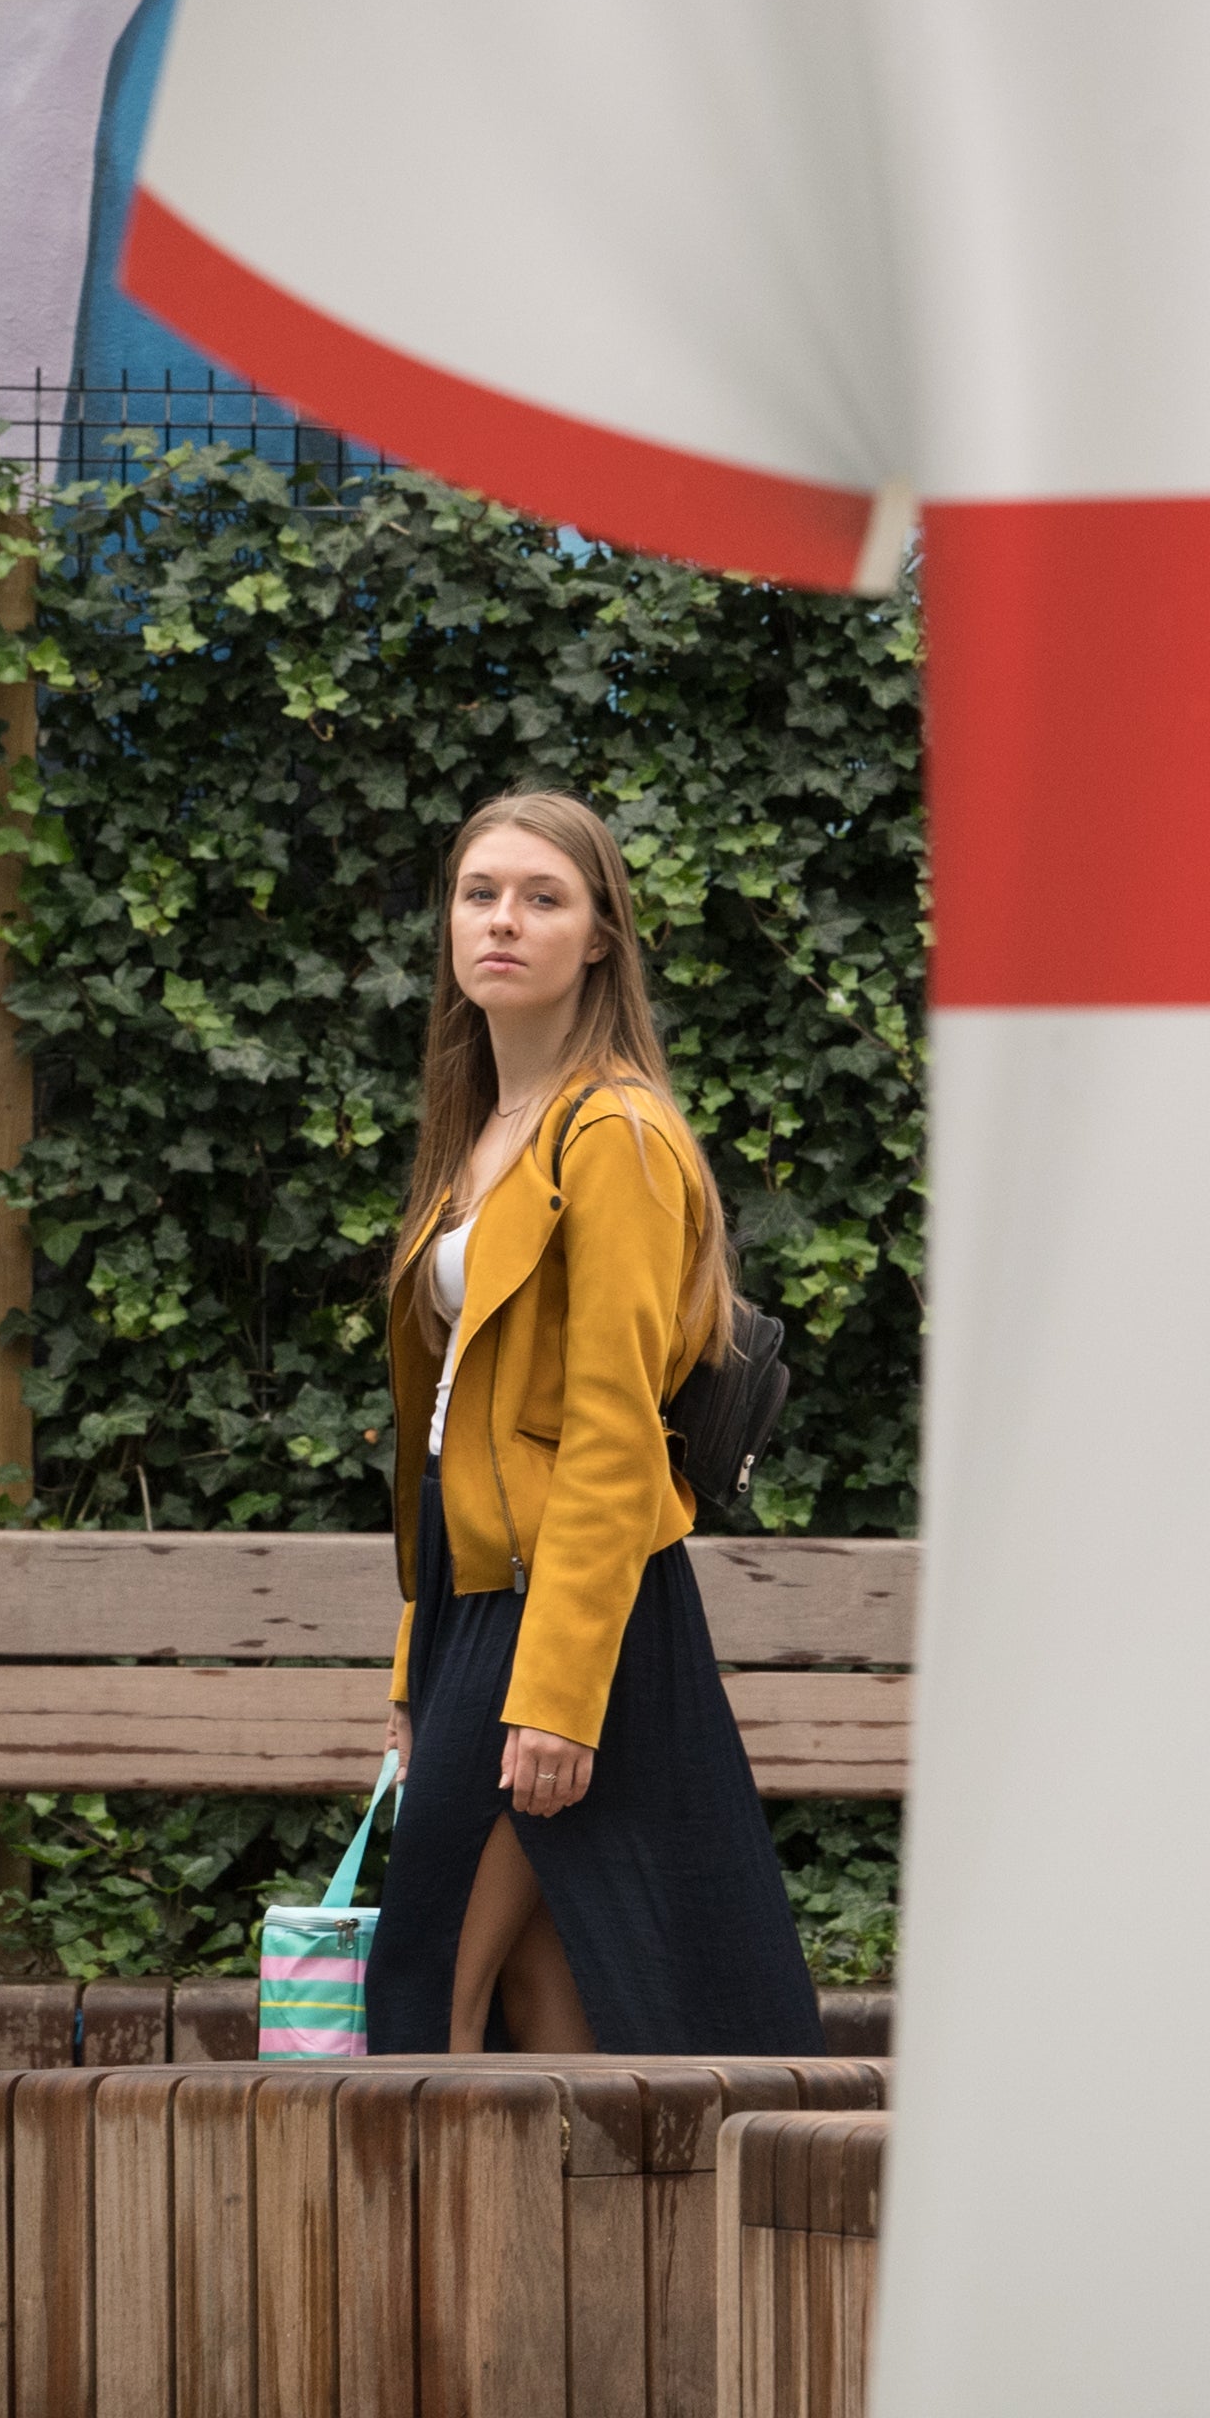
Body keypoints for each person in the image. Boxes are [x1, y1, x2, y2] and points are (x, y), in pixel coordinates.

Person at [366, 791, 829, 2058]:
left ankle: (426, 2259)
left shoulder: (613, 1133)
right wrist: (419, 1671)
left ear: (600, 940)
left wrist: (559, 1698)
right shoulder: (480, 1132)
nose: (502, 922)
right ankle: (600, 2258)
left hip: (570, 1612)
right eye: (478, 895)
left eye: (541, 898)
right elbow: (454, 1427)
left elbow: (614, 1429)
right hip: (479, 1607)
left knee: (424, 1993)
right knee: (545, 1991)